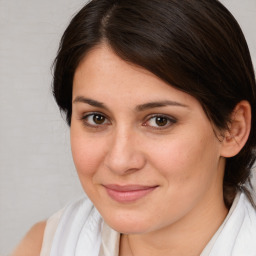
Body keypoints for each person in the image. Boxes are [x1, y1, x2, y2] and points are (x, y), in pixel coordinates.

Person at [12, 0, 256, 255]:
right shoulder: (43, 246)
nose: (120, 161)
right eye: (97, 118)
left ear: (233, 129)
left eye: (159, 120)